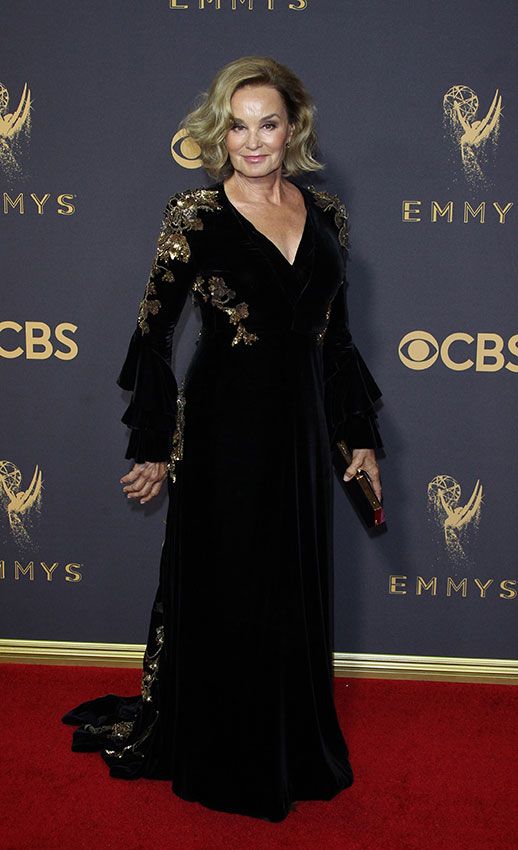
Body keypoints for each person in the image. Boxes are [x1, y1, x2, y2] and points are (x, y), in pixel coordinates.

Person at [61, 55, 383, 823]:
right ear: (220, 131)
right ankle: (225, 752)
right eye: (236, 125)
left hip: (304, 431)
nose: (251, 140)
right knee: (230, 585)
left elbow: (336, 342)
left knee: (291, 585)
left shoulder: (329, 214)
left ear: (293, 128)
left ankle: (291, 743)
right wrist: (150, 444)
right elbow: (153, 335)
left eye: (266, 124)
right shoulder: (194, 217)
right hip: (224, 428)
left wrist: (356, 437)